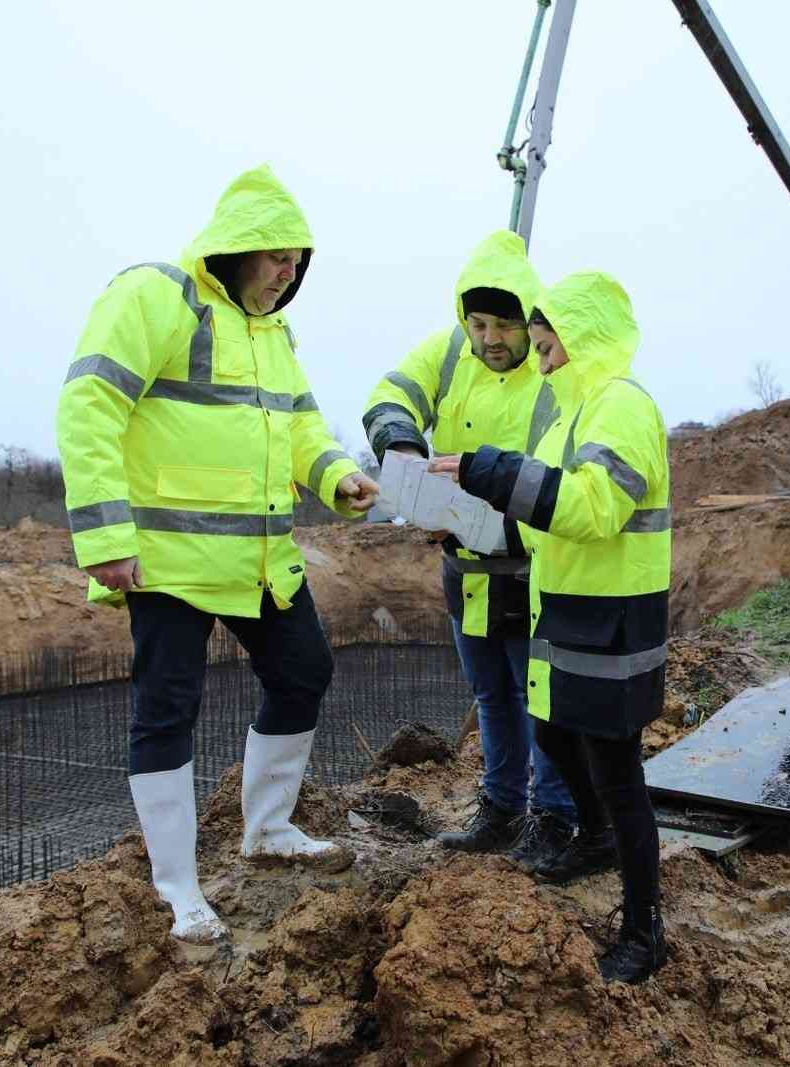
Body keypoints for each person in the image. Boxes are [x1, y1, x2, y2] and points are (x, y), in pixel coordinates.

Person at [56, 165, 380, 945]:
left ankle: (266, 829)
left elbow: (301, 427)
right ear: (239, 248)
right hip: (167, 562)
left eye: (299, 260)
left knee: (304, 671)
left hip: (261, 560)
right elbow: (88, 403)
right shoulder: (156, 297)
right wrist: (104, 537)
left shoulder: (275, 335)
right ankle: (179, 890)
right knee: (166, 710)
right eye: (278, 256)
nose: (290, 271)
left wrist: (338, 477)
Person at [428, 271, 671, 984]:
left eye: (548, 347)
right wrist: (464, 513)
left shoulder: (620, 406)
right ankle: (594, 836)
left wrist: (490, 471)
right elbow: (544, 514)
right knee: (556, 732)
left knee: (618, 771)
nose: (541, 361)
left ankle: (643, 928)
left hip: (615, 613)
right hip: (566, 606)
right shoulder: (572, 414)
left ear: (584, 338)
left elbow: (593, 507)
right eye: (537, 349)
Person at [361, 231, 577, 869]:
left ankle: (557, 818)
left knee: (541, 698)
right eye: (478, 323)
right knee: (491, 697)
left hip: (533, 568)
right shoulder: (451, 351)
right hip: (466, 569)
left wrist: (498, 527)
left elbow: (564, 483)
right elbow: (390, 393)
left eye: (505, 325)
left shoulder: (551, 370)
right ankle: (501, 808)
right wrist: (401, 444)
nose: (490, 339)